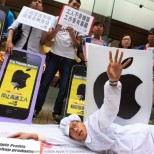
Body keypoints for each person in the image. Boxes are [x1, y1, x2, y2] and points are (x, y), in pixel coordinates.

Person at [9, 49, 154, 153]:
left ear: (80, 122)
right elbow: (60, 139)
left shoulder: (95, 124)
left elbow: (110, 108)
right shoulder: (82, 141)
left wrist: (113, 82)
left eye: (74, 124)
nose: (75, 129)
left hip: (144, 137)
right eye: (71, 131)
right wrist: (33, 135)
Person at [33, 0, 83, 123]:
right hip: (54, 55)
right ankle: (36, 108)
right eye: (73, 4)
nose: (75, 7)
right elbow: (48, 37)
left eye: (77, 6)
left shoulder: (80, 24)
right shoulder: (56, 18)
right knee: (44, 83)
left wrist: (72, 34)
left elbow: (78, 45)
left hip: (69, 58)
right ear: (68, 5)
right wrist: (58, 28)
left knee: (64, 88)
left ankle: (56, 112)